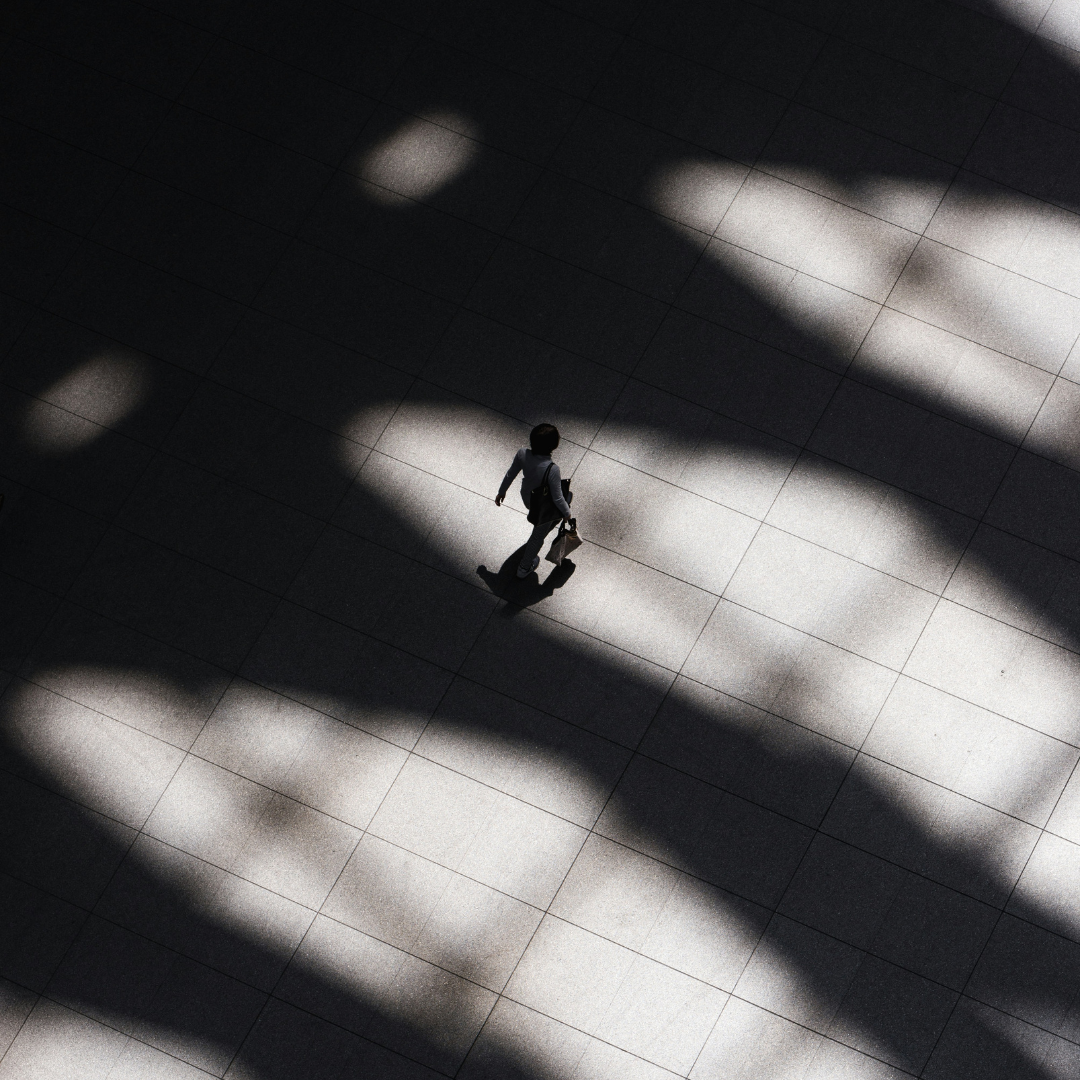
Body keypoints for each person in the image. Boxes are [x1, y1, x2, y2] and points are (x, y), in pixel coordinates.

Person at [495, 423, 572, 578]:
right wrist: (567, 513)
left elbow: (511, 474)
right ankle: (523, 568)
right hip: (541, 508)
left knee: (568, 496)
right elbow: (557, 497)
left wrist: (501, 492)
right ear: (553, 445)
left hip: (528, 498)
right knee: (537, 537)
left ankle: (551, 521)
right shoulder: (552, 469)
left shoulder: (522, 453)